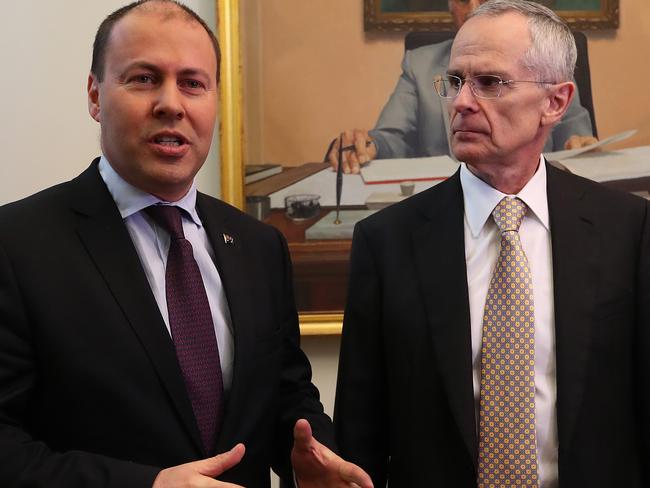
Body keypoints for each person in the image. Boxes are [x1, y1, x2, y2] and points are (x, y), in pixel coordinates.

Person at [0, 1, 372, 487]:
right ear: (95, 95)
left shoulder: (259, 247)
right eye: (144, 78)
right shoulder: (18, 245)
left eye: (193, 83)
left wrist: (311, 456)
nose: (171, 104)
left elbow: (286, 396)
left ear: (215, 101)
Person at [334, 0, 649, 486]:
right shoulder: (386, 241)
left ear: (556, 102)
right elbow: (362, 436)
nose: (460, 102)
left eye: (490, 83)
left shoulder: (627, 228)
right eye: (456, 81)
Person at [328, 0, 597, 174]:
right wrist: (369, 144)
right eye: (455, 82)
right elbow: (393, 138)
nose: (473, 9)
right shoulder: (419, 64)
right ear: (449, 6)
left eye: (491, 82)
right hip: (441, 203)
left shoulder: (542, 58)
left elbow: (573, 129)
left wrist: (579, 142)